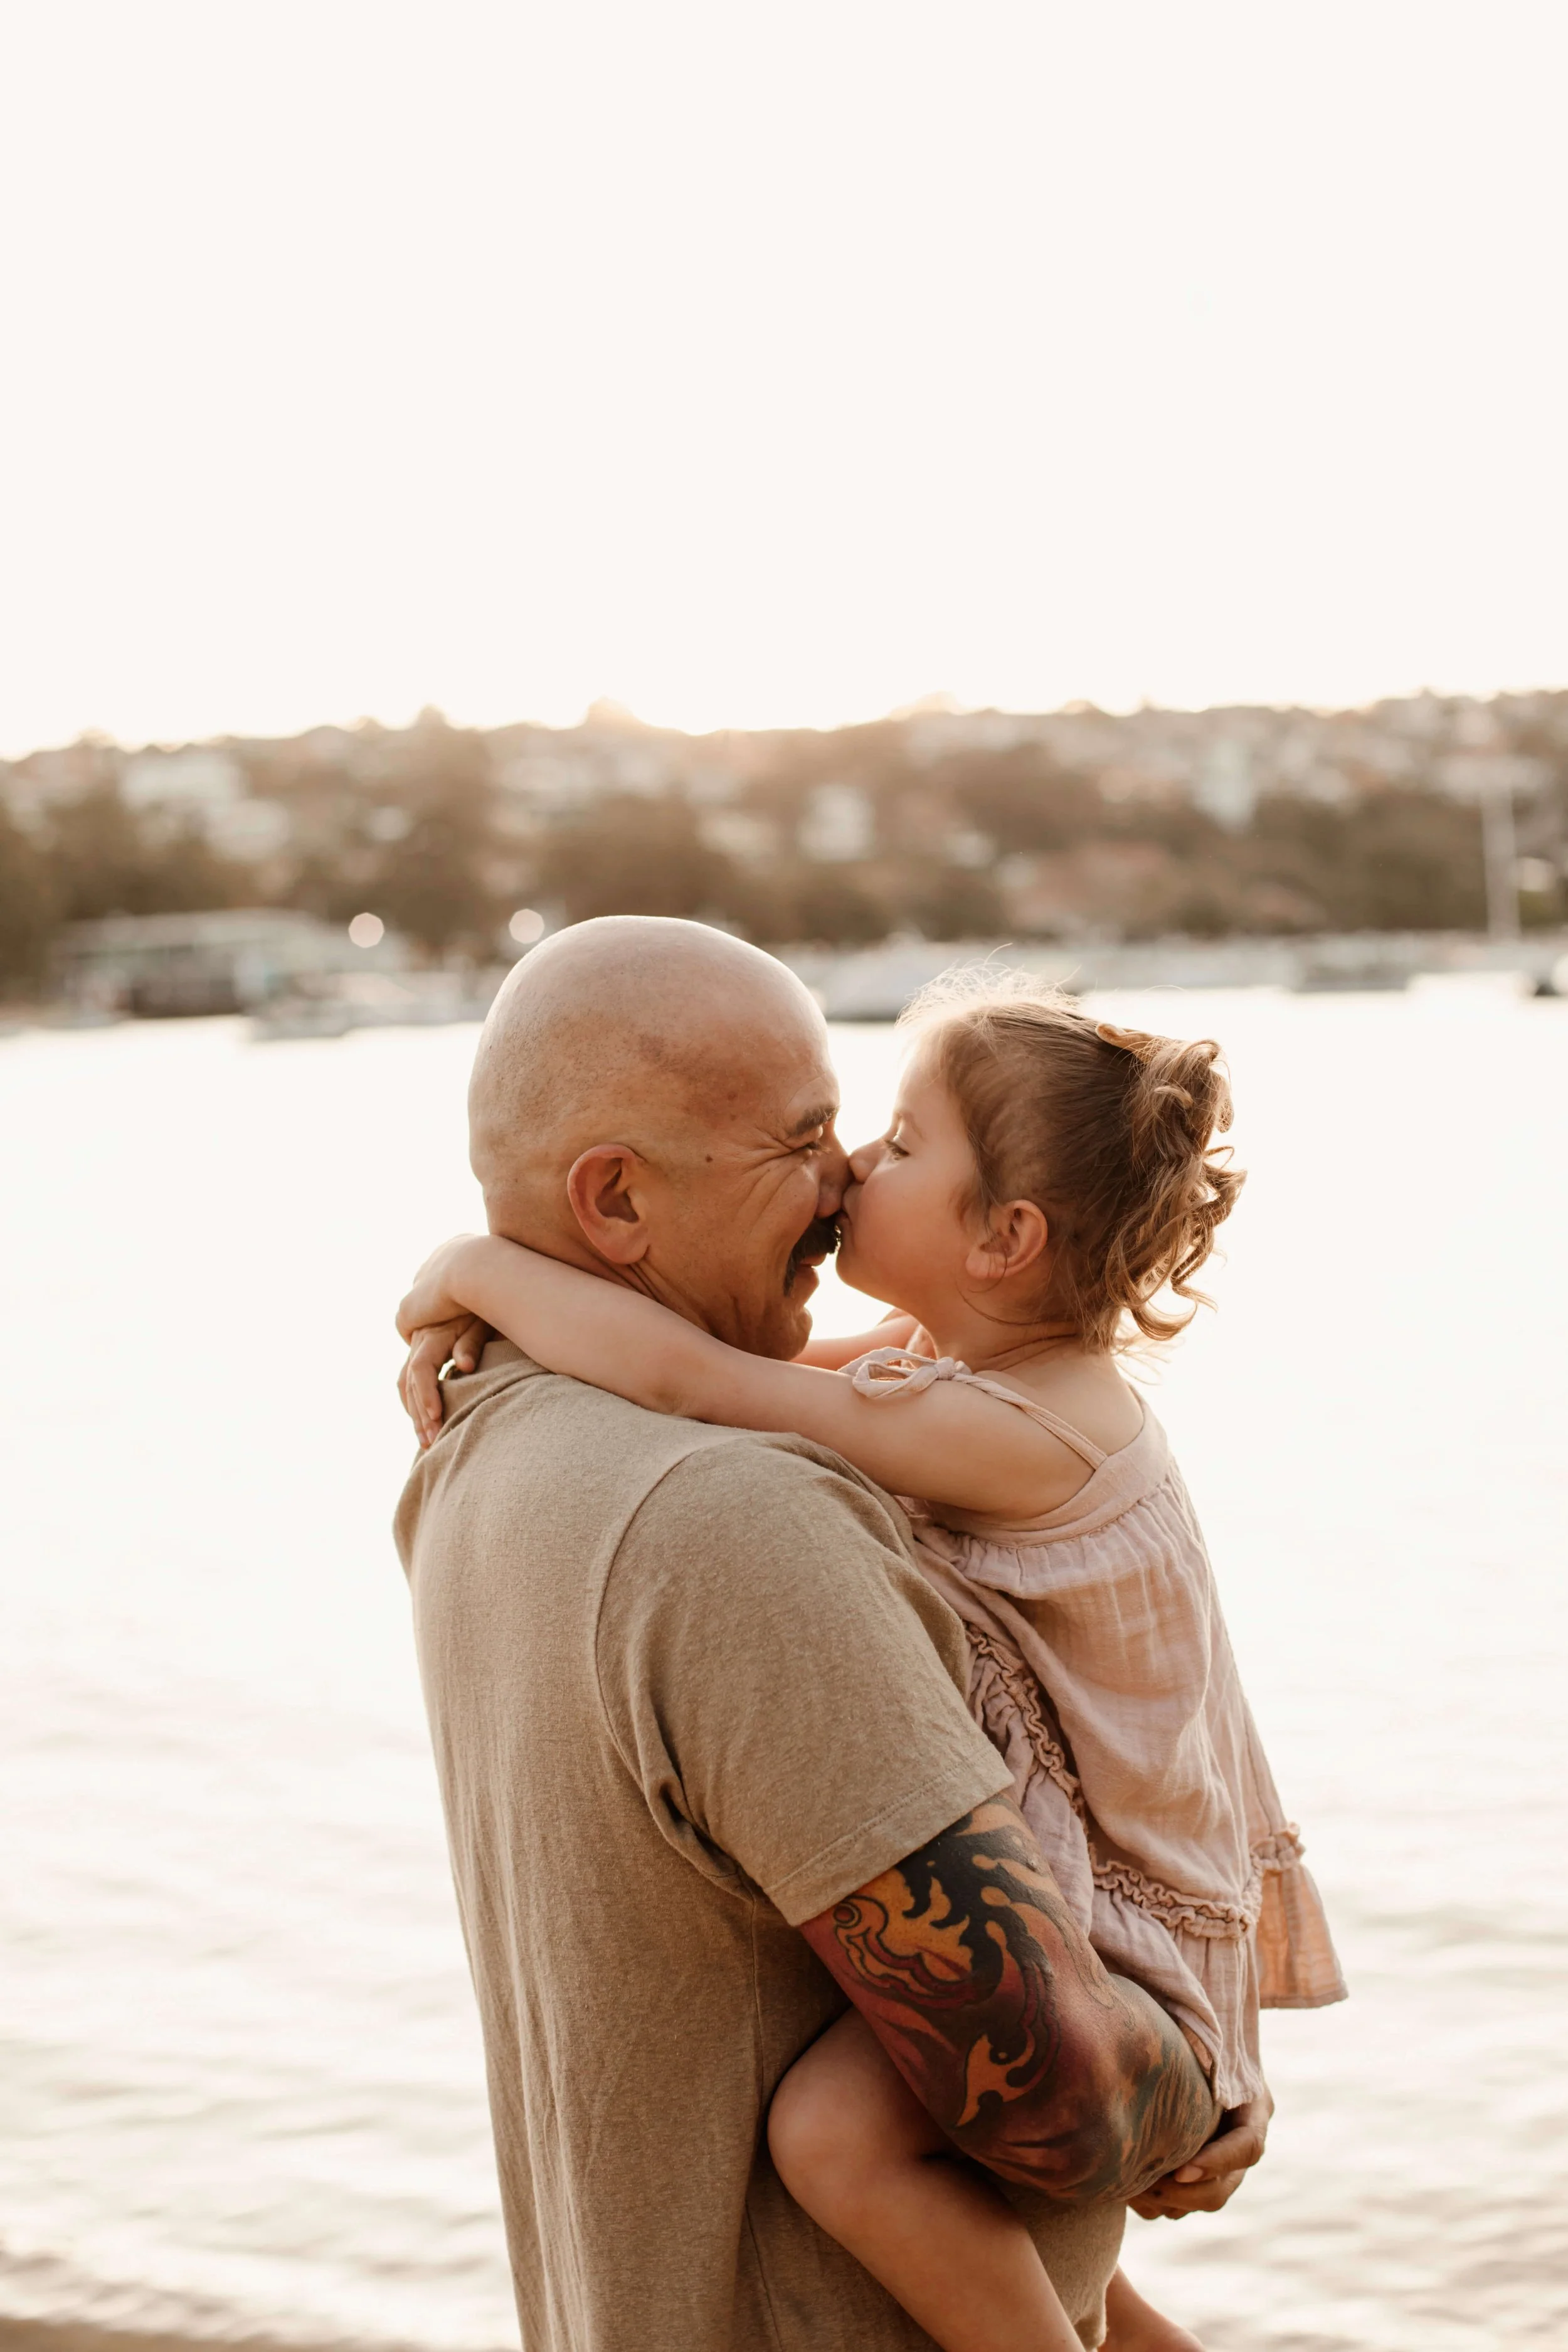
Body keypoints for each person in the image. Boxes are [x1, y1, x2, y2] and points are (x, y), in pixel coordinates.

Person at [399, 949, 1345, 2352]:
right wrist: (1171, 2103)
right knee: (841, 2134)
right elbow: (1057, 2096)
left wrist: (471, 1275)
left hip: (1121, 1917)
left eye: (885, 1140)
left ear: (1005, 1236)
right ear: (615, 1198)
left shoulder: (483, 1451)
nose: (844, 1171)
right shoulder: (736, 1515)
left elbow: (706, 1378)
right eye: (808, 1139)